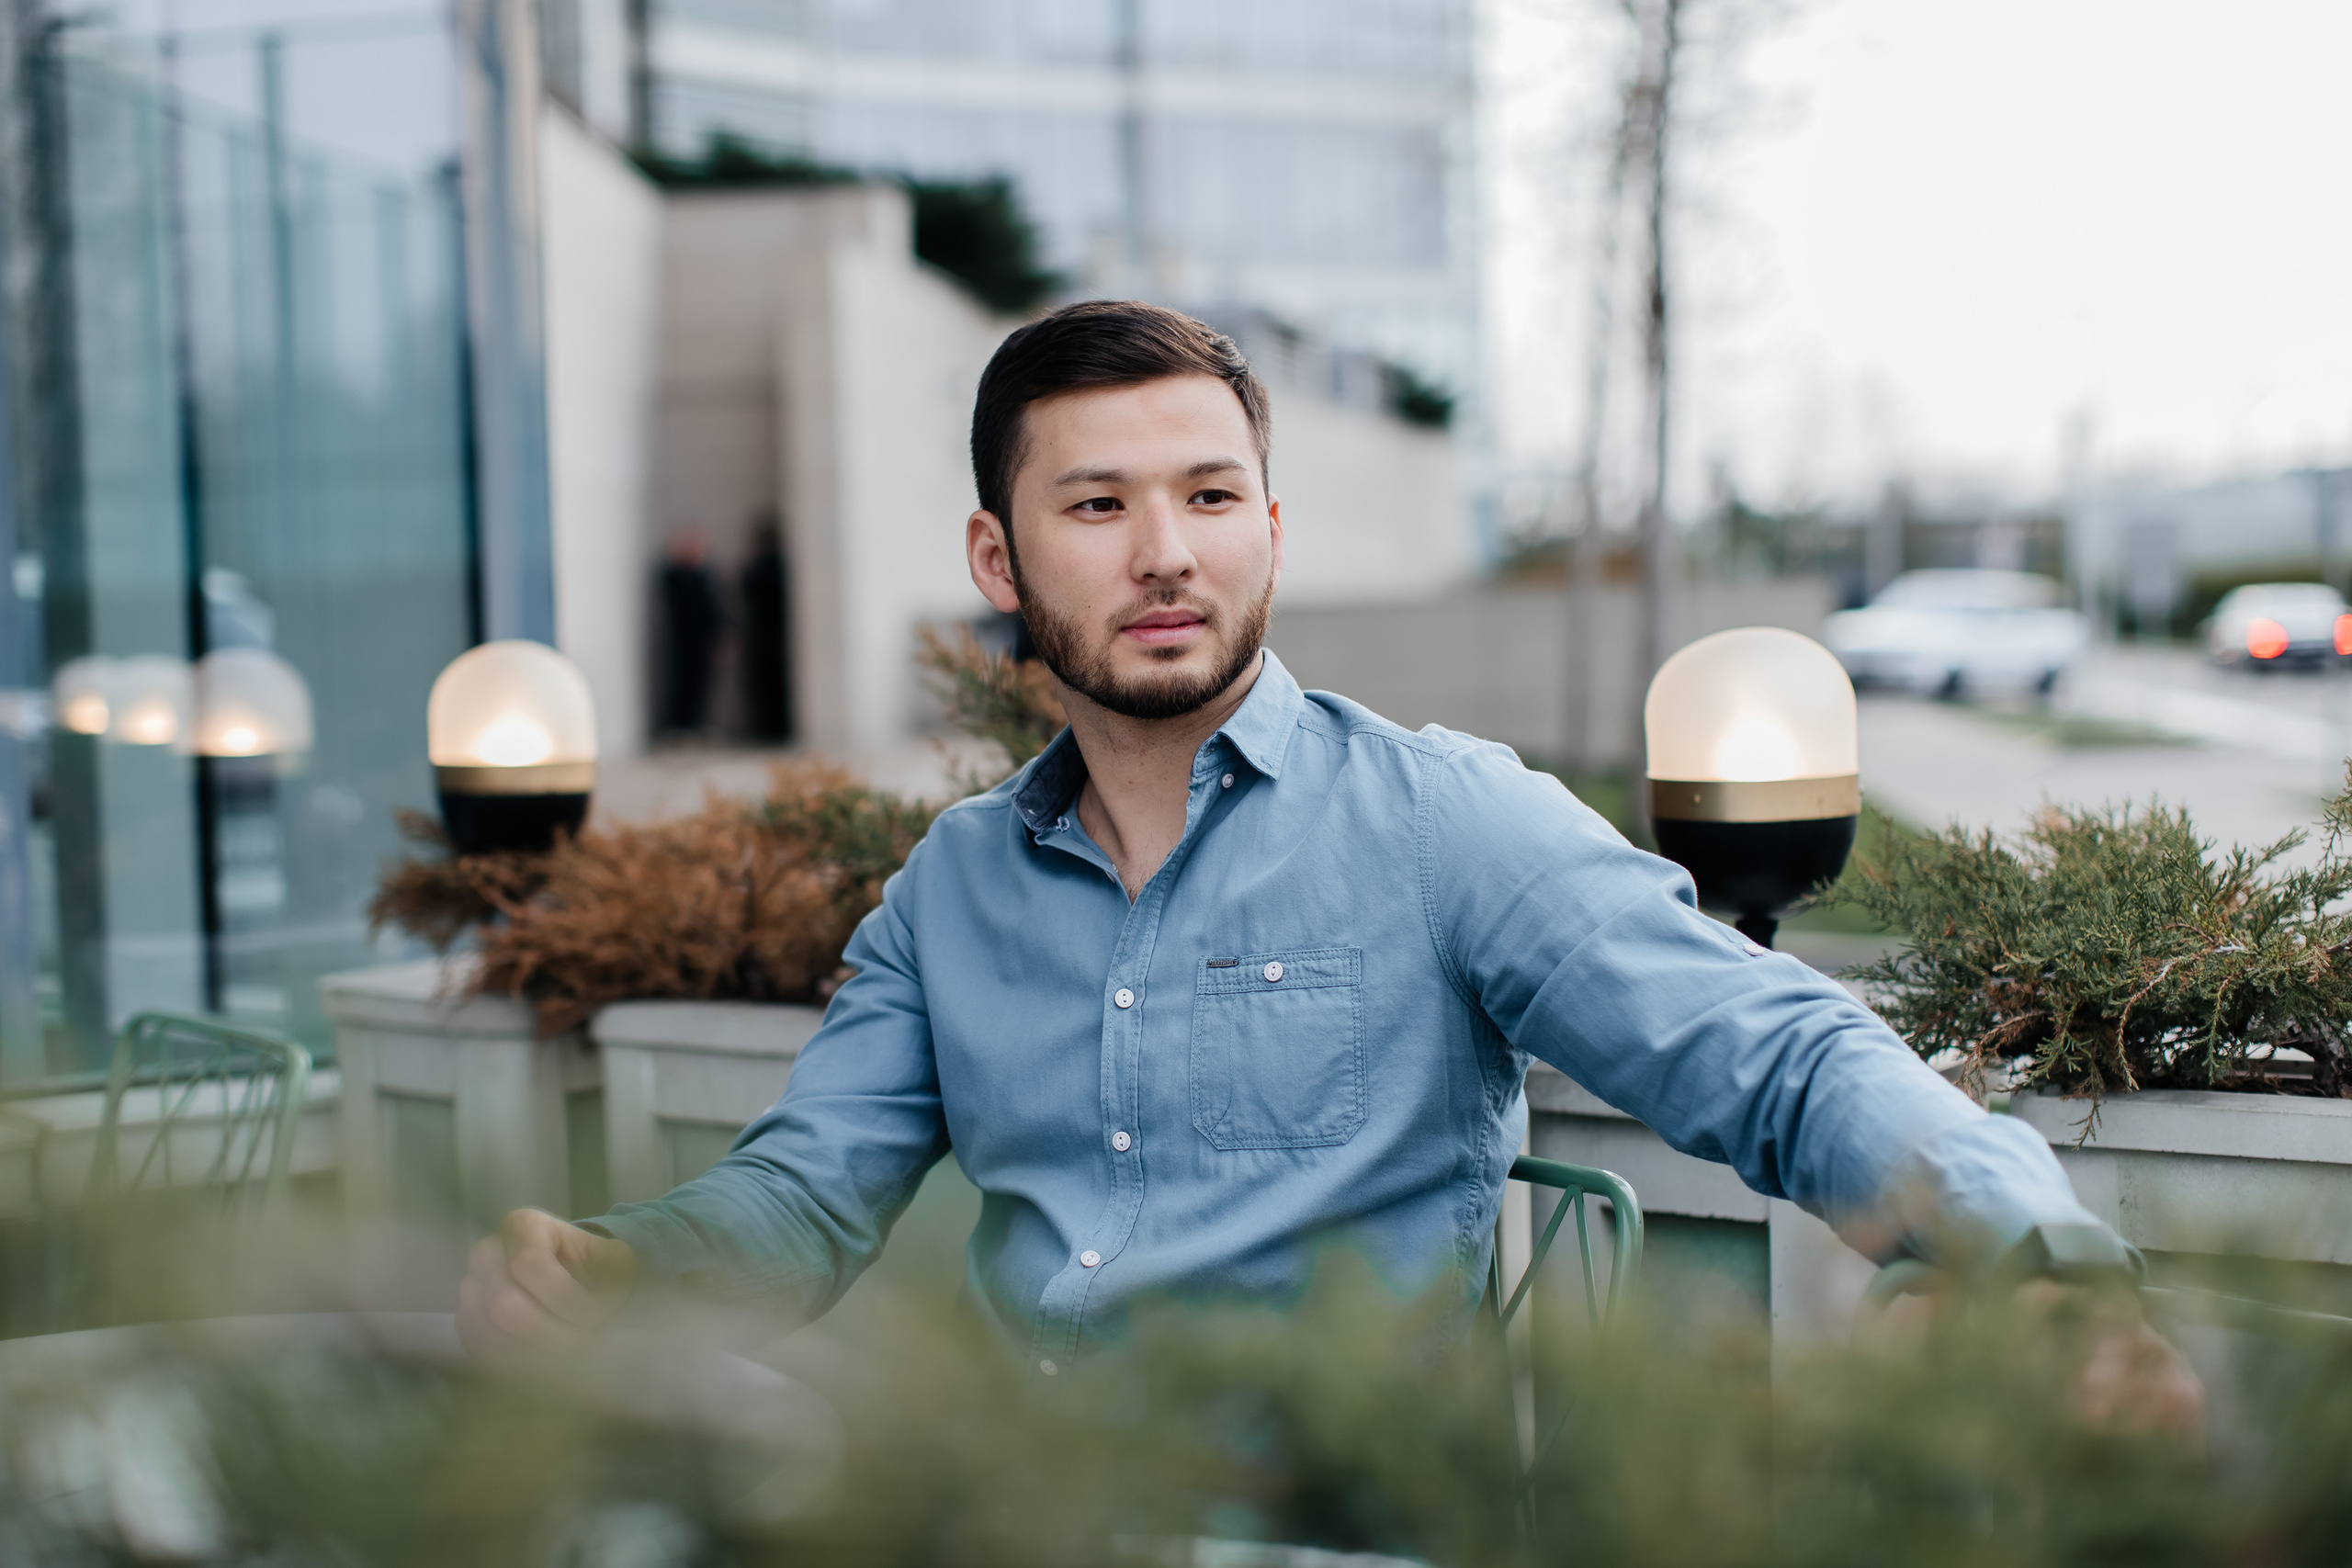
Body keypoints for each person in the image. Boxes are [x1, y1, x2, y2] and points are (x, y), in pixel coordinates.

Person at [458, 302, 2197, 1425]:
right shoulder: (949, 894)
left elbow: (1783, 1054)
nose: (1165, 554)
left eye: (1212, 498)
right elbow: (805, 1194)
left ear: (1272, 529)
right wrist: (621, 1265)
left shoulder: (1440, 821)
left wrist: (2040, 1265)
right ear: (997, 554)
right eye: (1098, 506)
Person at [656, 530, 724, 736]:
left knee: (701, 683)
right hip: (684, 640)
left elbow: (712, 608)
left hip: (703, 640)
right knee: (682, 682)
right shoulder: (676, 576)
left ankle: (695, 724)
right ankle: (679, 725)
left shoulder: (704, 575)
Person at [740, 514, 793, 743]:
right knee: (768, 686)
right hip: (769, 634)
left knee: (768, 687)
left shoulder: (763, 565)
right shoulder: (772, 564)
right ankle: (770, 730)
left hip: (765, 634)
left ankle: (770, 730)